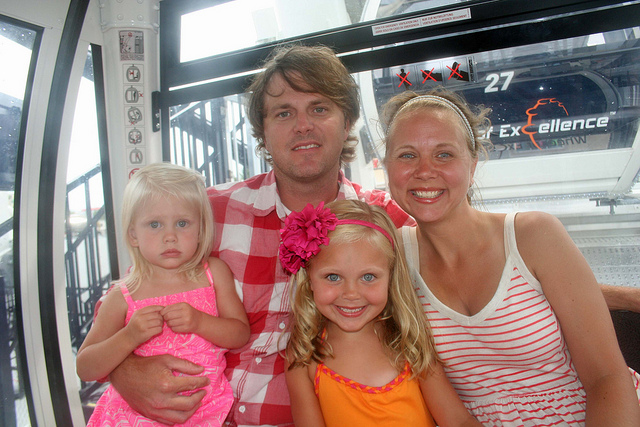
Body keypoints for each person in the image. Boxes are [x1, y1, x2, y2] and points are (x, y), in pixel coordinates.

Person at [104, 44, 640, 426]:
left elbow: (495, 273)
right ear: (262, 133)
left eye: (320, 108)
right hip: (201, 412)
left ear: (347, 124)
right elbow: (134, 296)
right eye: (283, 113)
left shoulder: (386, 223)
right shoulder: (208, 214)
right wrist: (125, 370)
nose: (303, 125)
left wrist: (615, 298)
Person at [382, 88, 640, 426]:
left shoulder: (534, 236)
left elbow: (607, 377)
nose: (425, 171)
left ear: (472, 165)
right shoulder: (391, 260)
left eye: (444, 154)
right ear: (387, 167)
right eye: (407, 155)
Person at [77, 163, 250, 426]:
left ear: (201, 229)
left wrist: (199, 322)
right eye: (154, 224)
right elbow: (86, 366)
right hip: (134, 416)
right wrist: (130, 335)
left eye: (182, 223)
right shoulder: (123, 295)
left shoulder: (214, 273)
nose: (170, 236)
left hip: (205, 413)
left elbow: (240, 333)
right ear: (133, 234)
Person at [283, 200, 481, 427]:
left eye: (368, 277)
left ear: (390, 278)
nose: (351, 294)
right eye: (333, 277)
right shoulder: (303, 357)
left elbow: (458, 420)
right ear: (309, 280)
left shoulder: (410, 342)